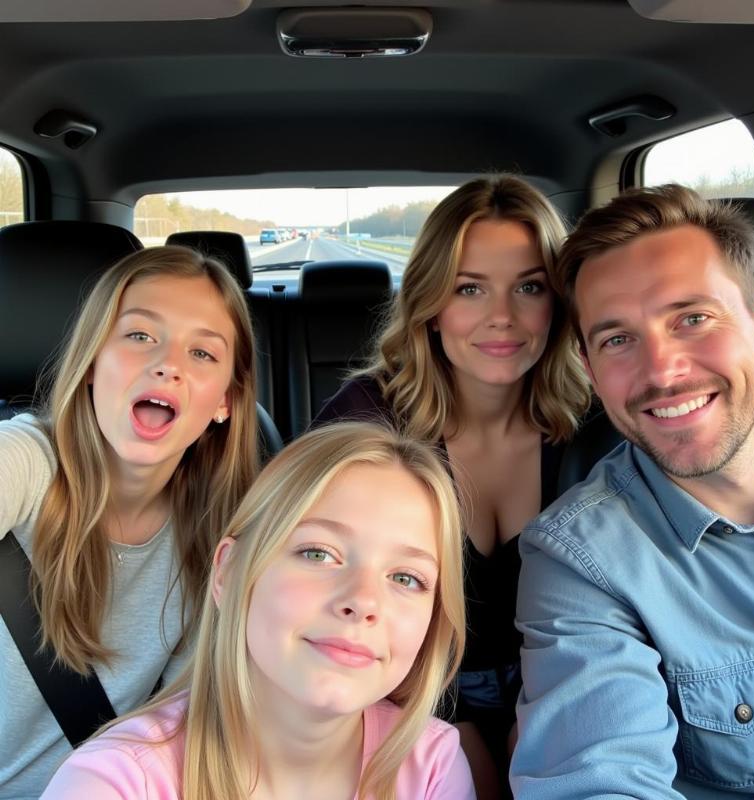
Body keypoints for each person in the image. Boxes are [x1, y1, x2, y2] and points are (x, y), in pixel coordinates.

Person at [511, 184, 754, 798]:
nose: (663, 371)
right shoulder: (580, 562)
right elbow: (598, 778)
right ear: (591, 370)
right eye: (618, 339)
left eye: (692, 318)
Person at [315, 175, 590, 797]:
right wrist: (443, 723)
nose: (502, 317)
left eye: (529, 287)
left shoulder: (594, 429)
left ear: (560, 303)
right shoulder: (365, 420)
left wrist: (547, 712)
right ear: (432, 305)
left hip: (562, 684)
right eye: (470, 288)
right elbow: (320, 590)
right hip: (398, 688)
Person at [42, 421, 475, 800]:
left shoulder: (431, 765)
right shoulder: (112, 783)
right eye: (319, 553)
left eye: (406, 579)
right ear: (229, 573)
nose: (363, 601)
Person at [0, 245, 260, 799]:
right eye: (140, 336)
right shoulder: (23, 462)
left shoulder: (219, 538)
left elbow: (181, 730)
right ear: (93, 361)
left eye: (203, 354)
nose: (167, 364)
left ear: (226, 402)